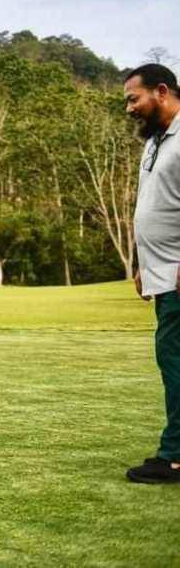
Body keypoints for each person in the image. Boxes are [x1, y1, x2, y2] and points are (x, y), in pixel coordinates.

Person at [125, 63, 180, 485]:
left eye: (133, 98)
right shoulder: (155, 143)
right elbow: (150, 204)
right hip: (162, 273)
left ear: (161, 91)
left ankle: (176, 456)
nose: (129, 108)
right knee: (171, 357)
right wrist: (142, 262)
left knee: (175, 359)